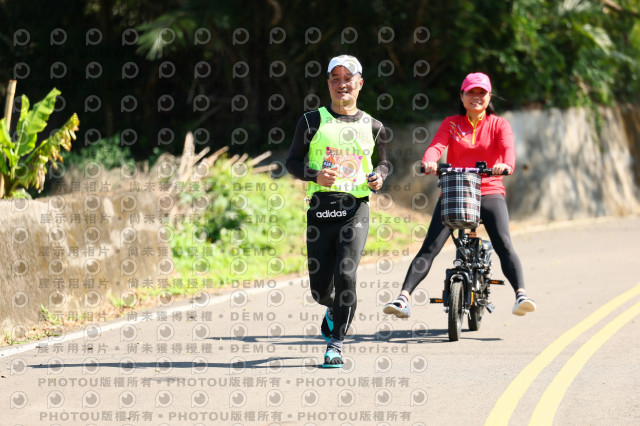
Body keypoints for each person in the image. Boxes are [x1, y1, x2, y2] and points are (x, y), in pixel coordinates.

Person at [383, 72, 536, 319]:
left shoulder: (499, 124)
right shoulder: (451, 123)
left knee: (503, 243)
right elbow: (436, 146)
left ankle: (521, 295)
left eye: (481, 93)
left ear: (489, 96)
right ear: (462, 96)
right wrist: (429, 161)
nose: (476, 97)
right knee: (430, 247)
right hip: (456, 191)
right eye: (471, 92)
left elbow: (508, 150)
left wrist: (505, 166)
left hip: (489, 190)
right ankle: (403, 298)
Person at [286, 54, 390, 368]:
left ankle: (336, 345)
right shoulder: (311, 121)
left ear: (360, 83)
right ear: (329, 84)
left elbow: (384, 163)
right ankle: (334, 308)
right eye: (336, 79)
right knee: (320, 291)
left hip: (355, 209)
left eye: (348, 78)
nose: (342, 84)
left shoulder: (374, 126)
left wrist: (379, 176)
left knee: (346, 274)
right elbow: (292, 162)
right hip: (320, 210)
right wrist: (314, 175)